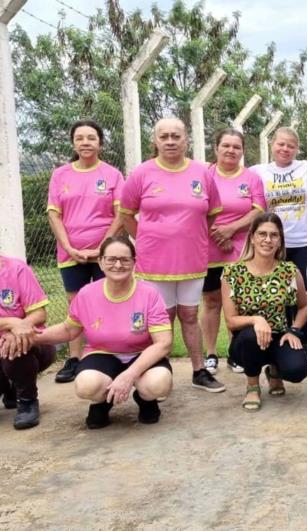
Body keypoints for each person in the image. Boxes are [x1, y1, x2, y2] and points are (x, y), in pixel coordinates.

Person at [119, 117, 225, 393]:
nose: (169, 141)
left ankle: (199, 371)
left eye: (175, 136)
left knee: (190, 315)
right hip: (154, 263)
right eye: (163, 136)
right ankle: (158, 373)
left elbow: (212, 214)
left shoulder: (202, 173)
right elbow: (126, 213)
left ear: (186, 139)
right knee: (161, 319)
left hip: (192, 261)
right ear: (154, 140)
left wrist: (190, 235)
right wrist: (145, 238)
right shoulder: (142, 173)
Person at [24, 236, 173, 428]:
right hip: (103, 353)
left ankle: (145, 400)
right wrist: (30, 337)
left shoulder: (149, 293)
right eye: (111, 259)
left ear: (134, 263)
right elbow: (69, 330)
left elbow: (163, 343)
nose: (118, 265)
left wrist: (129, 375)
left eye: (125, 259)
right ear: (101, 262)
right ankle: (102, 402)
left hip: (141, 354)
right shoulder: (87, 293)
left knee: (158, 384)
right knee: (86, 385)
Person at [47, 120, 124, 383]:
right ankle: (75, 359)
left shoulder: (112, 174)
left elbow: (119, 215)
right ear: (73, 143)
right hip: (71, 253)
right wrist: (69, 247)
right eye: (80, 138)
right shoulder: (60, 175)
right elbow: (54, 215)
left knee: (109, 301)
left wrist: (102, 248)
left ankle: (109, 354)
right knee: (76, 305)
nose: (86, 143)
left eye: (91, 138)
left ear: (100, 143)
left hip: (105, 253)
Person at [221, 213, 307, 410]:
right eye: (262, 234)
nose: (267, 240)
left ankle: (275, 371)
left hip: (279, 337)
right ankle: (252, 386)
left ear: (280, 241)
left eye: (274, 235)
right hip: (245, 341)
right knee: (251, 337)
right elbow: (230, 321)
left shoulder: (289, 270)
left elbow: (305, 305)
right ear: (252, 237)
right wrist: (255, 320)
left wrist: (293, 330)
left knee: (297, 371)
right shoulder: (232, 272)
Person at [250, 127, 307, 353]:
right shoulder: (257, 171)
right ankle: (277, 343)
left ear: (297, 149)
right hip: (273, 244)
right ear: (272, 144)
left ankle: (303, 342)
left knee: (304, 297)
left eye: (291, 145)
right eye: (281, 144)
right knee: (277, 295)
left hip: (305, 243)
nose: (285, 149)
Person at [201, 128, 265, 375]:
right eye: (225, 145)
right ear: (216, 148)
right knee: (211, 300)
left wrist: (232, 229)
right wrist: (218, 233)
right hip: (207, 247)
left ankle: (236, 352)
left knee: (238, 302)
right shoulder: (204, 174)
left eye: (236, 147)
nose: (231, 150)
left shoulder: (251, 177)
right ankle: (210, 354)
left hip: (240, 249)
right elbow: (197, 207)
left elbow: (258, 209)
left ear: (243, 151)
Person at [0, 255, 55, 429]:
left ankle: (27, 400)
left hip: (30, 345)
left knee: (15, 344)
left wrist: (20, 328)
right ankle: (8, 387)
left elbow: (40, 314)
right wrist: (10, 323)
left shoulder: (16, 268)